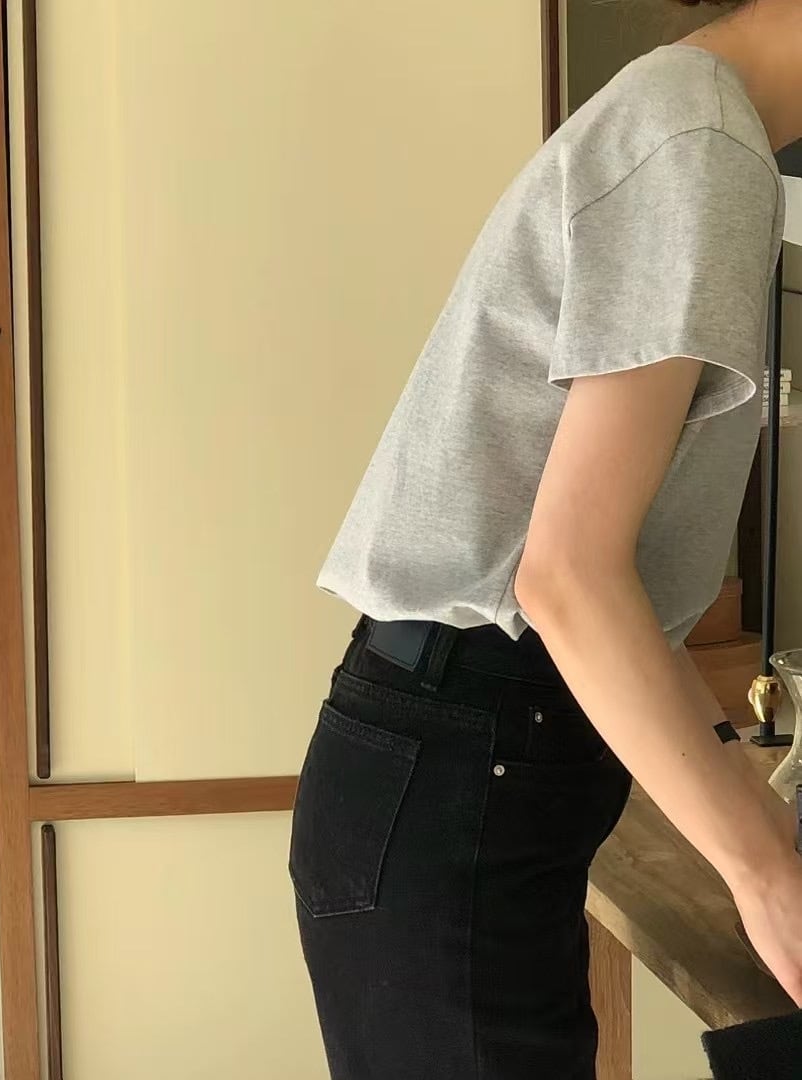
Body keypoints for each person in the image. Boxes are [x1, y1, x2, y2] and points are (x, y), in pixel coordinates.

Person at [288, 1, 802, 1076]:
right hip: (469, 755)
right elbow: (566, 576)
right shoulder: (701, 139)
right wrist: (768, 874)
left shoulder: (687, 114)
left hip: (447, 749)